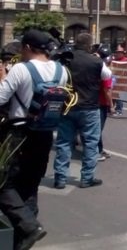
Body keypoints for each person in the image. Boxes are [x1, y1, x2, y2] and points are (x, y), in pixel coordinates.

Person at [0, 30, 68, 249]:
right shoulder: (62, 70)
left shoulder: (21, 69)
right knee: (30, 186)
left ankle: (29, 227)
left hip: (19, 134)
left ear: (28, 48)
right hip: (45, 134)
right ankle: (24, 238)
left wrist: (3, 78)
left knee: (4, 183)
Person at [54, 33, 112, 189]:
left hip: (68, 106)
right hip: (89, 107)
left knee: (64, 142)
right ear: (89, 45)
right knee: (91, 143)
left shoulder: (65, 59)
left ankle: (60, 178)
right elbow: (108, 75)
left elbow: (58, 78)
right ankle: (87, 178)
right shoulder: (95, 60)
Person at [96, 47, 114, 162]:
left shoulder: (94, 68)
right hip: (100, 103)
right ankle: (96, 151)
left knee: (96, 128)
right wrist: (111, 105)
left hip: (92, 101)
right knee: (97, 129)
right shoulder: (105, 72)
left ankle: (100, 148)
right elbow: (107, 90)